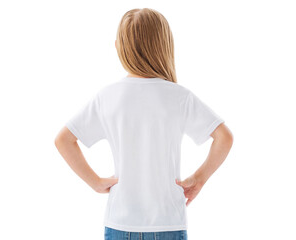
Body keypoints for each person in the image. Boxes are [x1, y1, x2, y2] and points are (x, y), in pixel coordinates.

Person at [55, 7, 234, 240]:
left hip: (119, 221)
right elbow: (224, 137)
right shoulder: (179, 97)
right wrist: (199, 179)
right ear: (164, 45)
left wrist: (96, 182)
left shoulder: (108, 97)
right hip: (168, 222)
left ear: (120, 47)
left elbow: (64, 139)